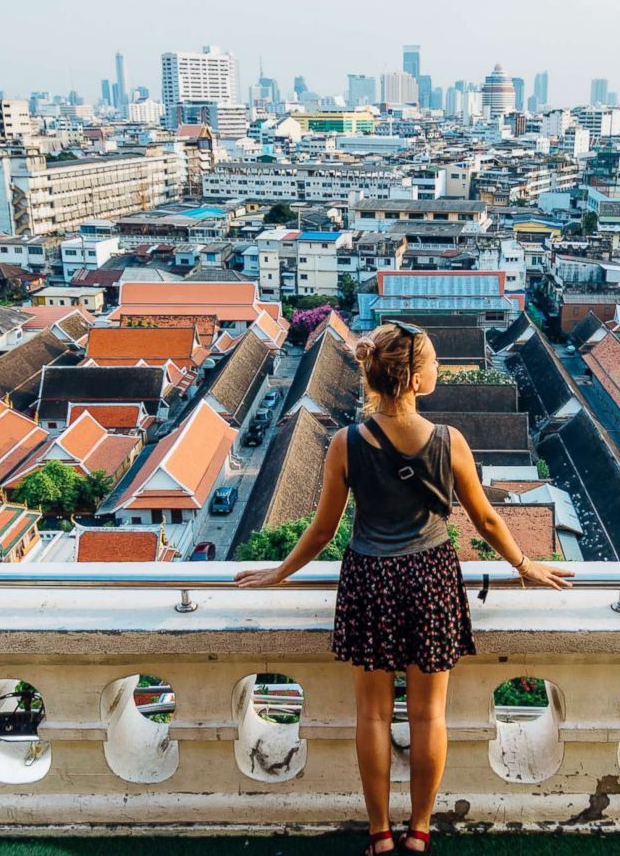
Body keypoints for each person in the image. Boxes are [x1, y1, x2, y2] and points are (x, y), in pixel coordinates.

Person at [236, 321, 574, 854]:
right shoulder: (447, 441)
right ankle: (418, 831)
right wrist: (525, 563)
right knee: (427, 715)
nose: (439, 369)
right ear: (414, 379)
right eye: (434, 364)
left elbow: (324, 530)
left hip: (370, 577)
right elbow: (485, 520)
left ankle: (379, 834)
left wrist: (279, 571)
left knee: (370, 715)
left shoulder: (347, 443)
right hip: (431, 578)